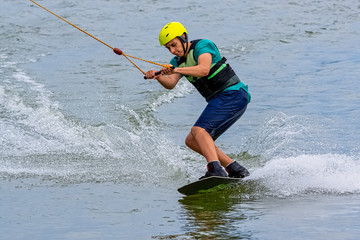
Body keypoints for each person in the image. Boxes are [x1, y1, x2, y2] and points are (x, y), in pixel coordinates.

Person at [145, 22, 251, 179]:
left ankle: (215, 169)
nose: (173, 50)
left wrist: (176, 69)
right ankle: (234, 168)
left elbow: (204, 69)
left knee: (199, 131)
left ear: (184, 37)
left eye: (174, 45)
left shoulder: (202, 46)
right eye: (168, 48)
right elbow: (170, 84)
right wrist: (158, 75)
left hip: (233, 94)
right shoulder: (177, 61)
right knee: (192, 140)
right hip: (221, 99)